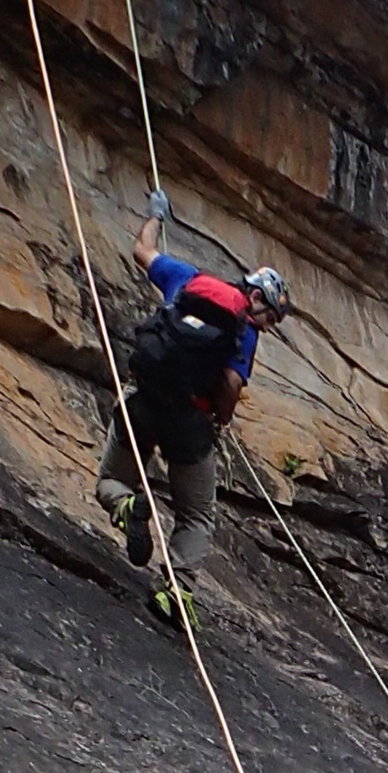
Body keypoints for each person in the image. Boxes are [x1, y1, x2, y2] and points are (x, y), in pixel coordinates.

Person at [96, 194, 291, 619]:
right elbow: (230, 382)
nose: (267, 325)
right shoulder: (244, 330)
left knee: (110, 480)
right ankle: (175, 592)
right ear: (260, 300)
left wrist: (155, 214)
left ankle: (126, 506)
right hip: (189, 423)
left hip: (143, 400)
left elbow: (141, 251)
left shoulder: (187, 281)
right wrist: (222, 417)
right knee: (198, 516)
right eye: (271, 317)